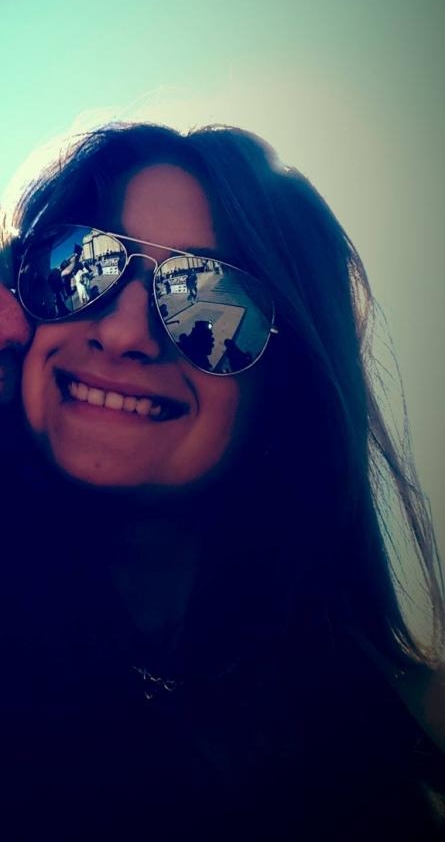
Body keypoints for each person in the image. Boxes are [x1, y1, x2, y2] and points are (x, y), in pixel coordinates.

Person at [0, 122, 444, 839]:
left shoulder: (384, 730)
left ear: (287, 387)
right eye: (78, 262)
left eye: (207, 299)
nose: (125, 333)